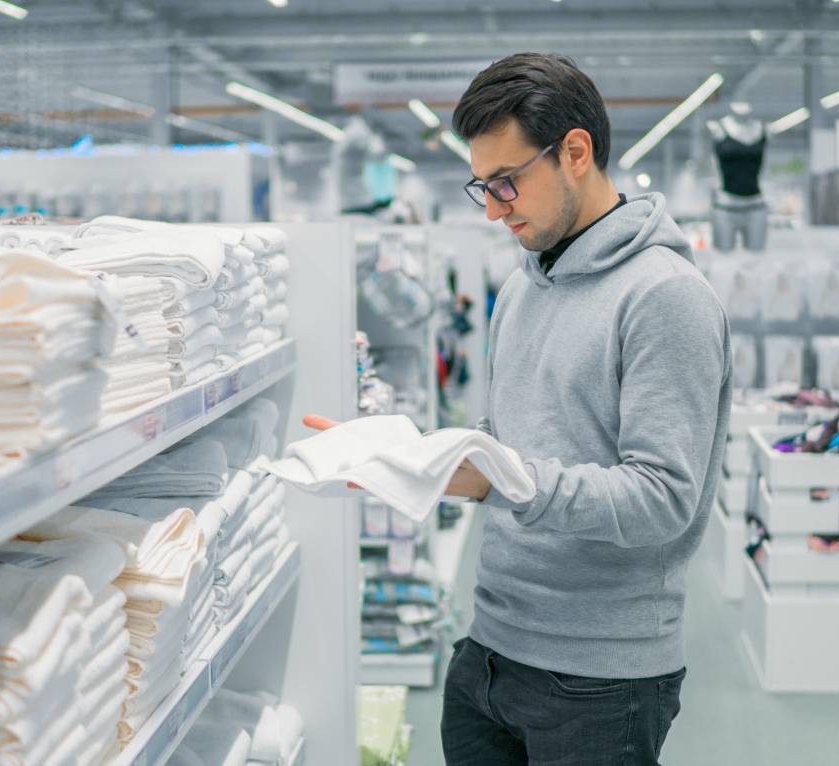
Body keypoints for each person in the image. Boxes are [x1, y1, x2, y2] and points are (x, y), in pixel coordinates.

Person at [309, 52, 732, 766]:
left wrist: (497, 477)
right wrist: (411, 456)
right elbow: (512, 440)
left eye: (506, 183)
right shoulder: (521, 290)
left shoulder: (666, 297)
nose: (495, 208)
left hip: (601, 679)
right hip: (487, 654)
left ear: (575, 152)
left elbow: (664, 499)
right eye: (484, 186)